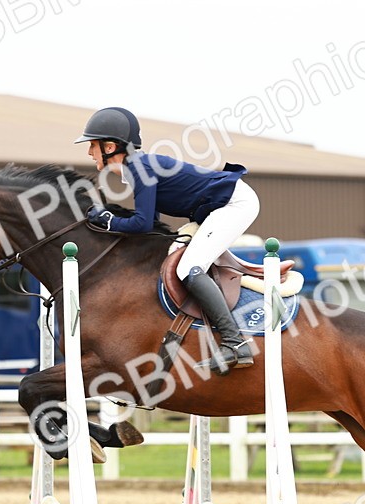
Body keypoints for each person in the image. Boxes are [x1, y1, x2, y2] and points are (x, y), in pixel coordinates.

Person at [75, 106, 258, 373]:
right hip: (220, 205)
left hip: (233, 204)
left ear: (111, 146)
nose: (89, 153)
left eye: (92, 145)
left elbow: (142, 223)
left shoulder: (139, 167)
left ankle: (234, 343)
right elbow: (152, 227)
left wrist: (108, 220)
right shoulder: (137, 168)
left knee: (188, 269)